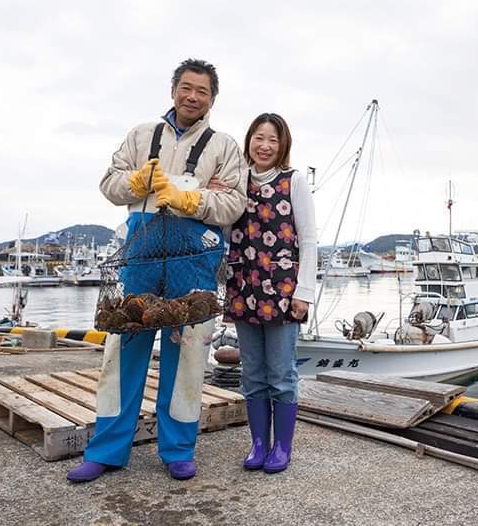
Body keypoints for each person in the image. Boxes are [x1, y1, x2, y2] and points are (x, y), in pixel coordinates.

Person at [66, 58, 247, 483]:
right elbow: (109, 184)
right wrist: (136, 183)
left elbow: (235, 204)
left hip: (195, 260)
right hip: (140, 253)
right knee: (121, 351)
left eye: (202, 91)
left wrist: (193, 201)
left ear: (212, 99)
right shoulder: (140, 136)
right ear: (173, 91)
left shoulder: (223, 146)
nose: (192, 97)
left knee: (187, 354)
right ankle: (107, 450)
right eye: (186, 88)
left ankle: (177, 448)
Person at [221, 112, 317, 473]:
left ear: (283, 145)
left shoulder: (294, 182)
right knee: (252, 373)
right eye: (259, 138)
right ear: (248, 142)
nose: (265, 146)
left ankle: (282, 447)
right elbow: (226, 228)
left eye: (273, 140)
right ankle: (258, 443)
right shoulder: (237, 181)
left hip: (283, 292)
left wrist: (303, 292)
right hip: (244, 288)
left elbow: (308, 240)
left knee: (281, 374)